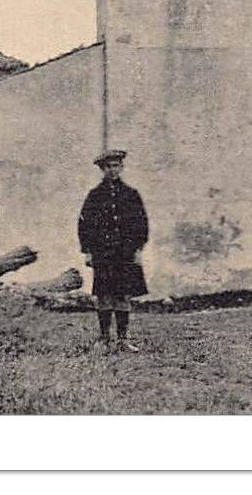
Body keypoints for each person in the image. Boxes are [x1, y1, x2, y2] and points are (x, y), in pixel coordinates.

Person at [77, 149, 149, 353]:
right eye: (108, 166)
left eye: (116, 165)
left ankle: (123, 340)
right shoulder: (95, 196)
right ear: (102, 169)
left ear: (122, 167)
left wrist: (138, 249)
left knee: (123, 295)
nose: (112, 170)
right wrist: (88, 251)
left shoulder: (131, 195)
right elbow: (84, 225)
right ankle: (104, 338)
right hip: (103, 253)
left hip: (125, 253)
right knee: (104, 295)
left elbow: (141, 223)